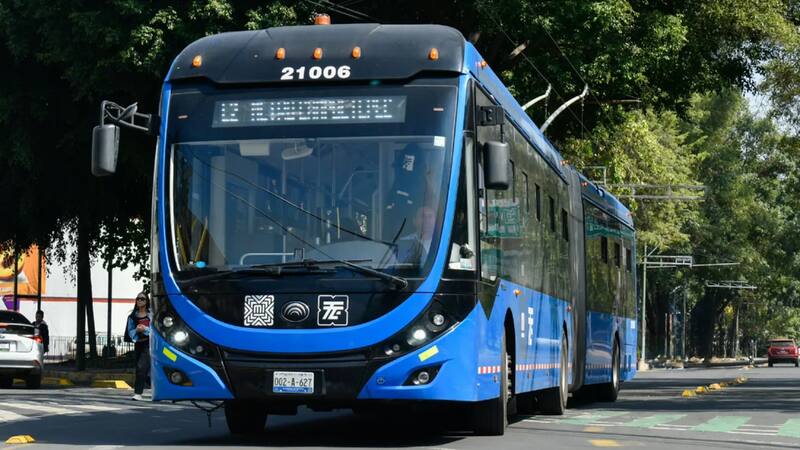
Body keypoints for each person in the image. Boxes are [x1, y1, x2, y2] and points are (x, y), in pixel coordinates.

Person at [127, 291, 151, 401]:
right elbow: (130, 332)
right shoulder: (132, 317)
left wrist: (145, 329)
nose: (140, 300)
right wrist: (136, 330)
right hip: (139, 344)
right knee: (140, 368)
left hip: (149, 344)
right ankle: (153, 387)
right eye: (138, 299)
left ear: (147, 301)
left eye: (142, 299)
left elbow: (155, 330)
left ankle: (138, 393)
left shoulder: (151, 315)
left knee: (142, 367)